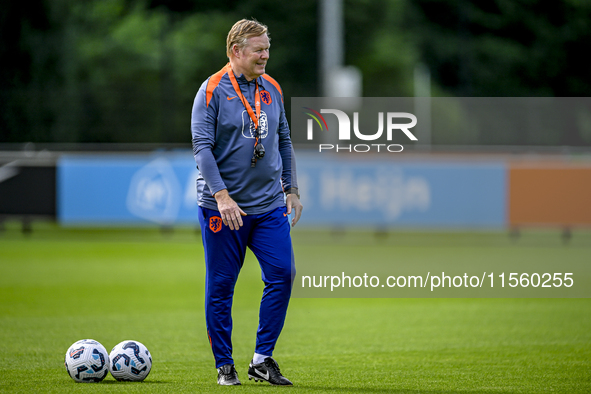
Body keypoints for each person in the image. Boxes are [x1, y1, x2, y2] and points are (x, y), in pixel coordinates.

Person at [190, 18, 303, 386]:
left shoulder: (271, 87)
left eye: (268, 48)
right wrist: (221, 196)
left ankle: (261, 358)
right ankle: (225, 364)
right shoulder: (210, 91)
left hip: (269, 205)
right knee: (222, 287)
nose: (266, 55)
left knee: (283, 275)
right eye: (259, 49)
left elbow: (284, 141)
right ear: (236, 51)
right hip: (224, 209)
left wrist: (292, 189)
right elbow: (202, 148)